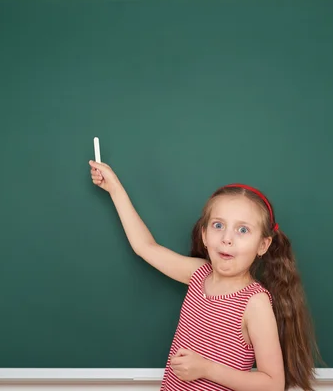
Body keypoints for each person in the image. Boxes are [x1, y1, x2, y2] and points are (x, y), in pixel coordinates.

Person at [89, 160, 320, 391]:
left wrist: (207, 369)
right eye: (218, 226)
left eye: (242, 230)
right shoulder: (199, 274)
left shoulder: (255, 303)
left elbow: (273, 384)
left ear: (263, 244)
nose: (227, 238)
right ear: (204, 235)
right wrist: (114, 188)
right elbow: (145, 247)